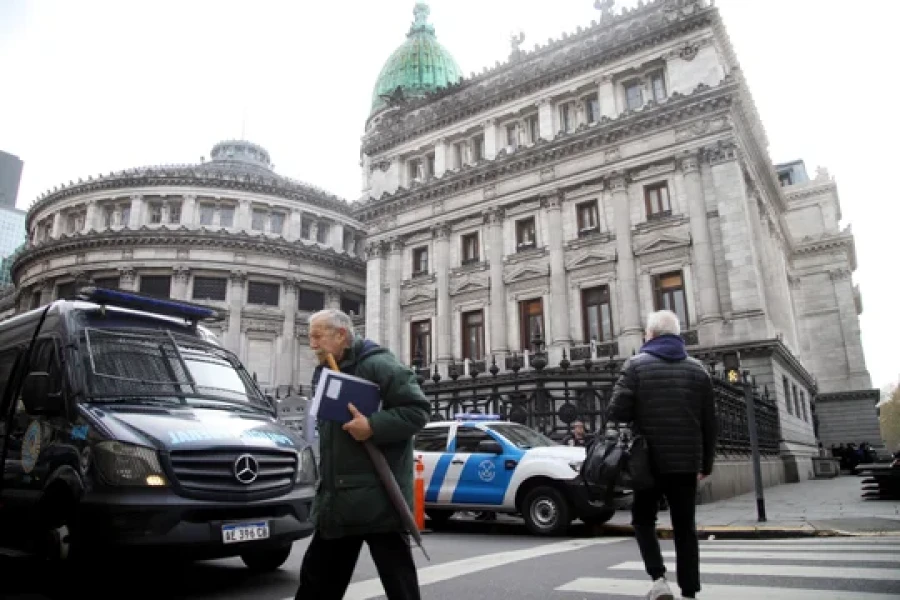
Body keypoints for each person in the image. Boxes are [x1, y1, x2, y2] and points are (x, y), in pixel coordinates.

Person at [294, 309, 431, 600]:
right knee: (316, 582)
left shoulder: (378, 364)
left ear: (340, 335)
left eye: (318, 336)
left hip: (379, 500)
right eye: (310, 337)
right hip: (339, 502)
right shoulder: (328, 369)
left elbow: (417, 411)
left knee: (399, 585)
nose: (312, 344)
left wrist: (372, 426)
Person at [607, 310, 717, 600]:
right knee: (685, 527)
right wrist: (705, 464)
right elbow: (711, 424)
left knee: (643, 520)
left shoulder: (636, 366)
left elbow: (616, 411)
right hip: (686, 463)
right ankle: (690, 591)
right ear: (677, 335)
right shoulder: (698, 370)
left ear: (651, 335)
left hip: (647, 462)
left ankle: (658, 579)